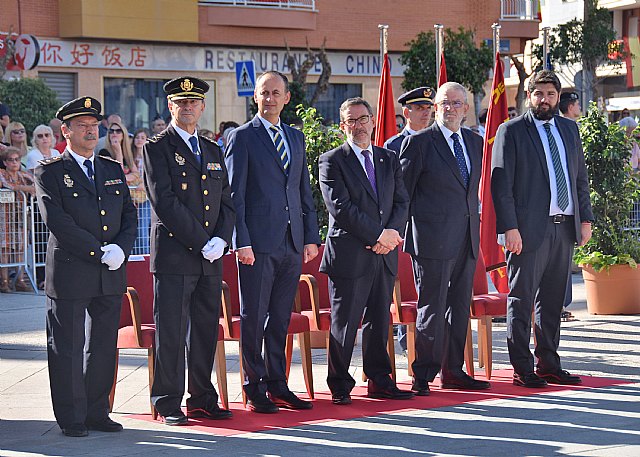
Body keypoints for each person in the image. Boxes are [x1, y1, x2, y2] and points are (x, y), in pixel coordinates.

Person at [34, 96, 137, 437]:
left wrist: (121, 248)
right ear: (65, 131)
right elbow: (59, 223)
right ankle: (71, 416)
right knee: (68, 346)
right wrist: (98, 252)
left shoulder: (109, 168)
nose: (92, 132)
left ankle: (97, 411)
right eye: (83, 126)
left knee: (103, 344)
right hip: (71, 271)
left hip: (109, 271)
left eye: (95, 126)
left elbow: (128, 214)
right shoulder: (50, 172)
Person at [225, 70, 320, 414]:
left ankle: (278, 384)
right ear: (255, 97)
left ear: (286, 98)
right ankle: (254, 386)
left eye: (276, 93)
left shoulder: (295, 138)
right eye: (264, 93)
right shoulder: (242, 137)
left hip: (291, 242)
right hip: (258, 244)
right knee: (254, 317)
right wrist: (242, 241)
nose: (269, 99)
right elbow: (236, 196)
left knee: (280, 317)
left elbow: (301, 191)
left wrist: (310, 236)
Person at [491, 70, 593, 388]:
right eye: (539, 93)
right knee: (521, 300)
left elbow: (579, 178)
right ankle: (523, 368)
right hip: (526, 232)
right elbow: (501, 184)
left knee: (551, 302)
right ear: (528, 94)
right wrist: (509, 228)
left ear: (557, 97)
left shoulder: (569, 129)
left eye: (551, 94)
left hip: (564, 229)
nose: (545, 99)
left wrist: (585, 220)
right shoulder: (511, 131)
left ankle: (548, 363)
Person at [143, 76, 235, 425]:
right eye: (181, 103)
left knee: (205, 330)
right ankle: (167, 402)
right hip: (176, 256)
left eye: (194, 102)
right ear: (171, 106)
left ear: (202, 107)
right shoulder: (157, 147)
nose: (188, 108)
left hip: (211, 257)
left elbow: (227, 201)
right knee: (171, 331)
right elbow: (164, 202)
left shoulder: (212, 149)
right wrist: (203, 242)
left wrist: (222, 240)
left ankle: (201, 398)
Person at [318, 97, 412, 405]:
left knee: (379, 319)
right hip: (350, 254)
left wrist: (391, 235)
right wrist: (377, 235)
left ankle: (379, 380)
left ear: (372, 120)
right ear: (342, 125)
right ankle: (340, 383)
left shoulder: (388, 158)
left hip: (384, 254)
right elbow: (341, 207)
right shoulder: (332, 160)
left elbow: (401, 202)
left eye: (362, 119)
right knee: (345, 323)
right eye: (351, 121)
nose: (358, 126)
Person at [398, 82, 489, 396]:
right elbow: (403, 195)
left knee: (459, 307)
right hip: (431, 240)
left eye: (456, 103)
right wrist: (395, 232)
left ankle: (453, 371)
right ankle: (422, 374)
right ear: (435, 107)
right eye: (443, 103)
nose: (449, 108)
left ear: (466, 108)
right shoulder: (420, 143)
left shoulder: (475, 143)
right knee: (432, 308)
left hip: (466, 237)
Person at [0, 147, 36, 293]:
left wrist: (30, 187)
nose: (14, 163)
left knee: (20, 248)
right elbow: (8, 185)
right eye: (11, 160)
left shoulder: (23, 175)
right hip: (4, 216)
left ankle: (20, 280)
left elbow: (36, 184)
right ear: (5, 162)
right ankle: (4, 281)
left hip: (20, 216)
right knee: (5, 248)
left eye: (17, 159)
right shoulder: (2, 173)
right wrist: (26, 188)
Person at [384, 87, 435, 155]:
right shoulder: (394, 145)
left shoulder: (436, 141)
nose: (426, 113)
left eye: (428, 108)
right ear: (406, 113)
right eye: (420, 108)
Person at [99, 121, 140, 187]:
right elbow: (117, 173)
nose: (114, 133)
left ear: (123, 135)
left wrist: (124, 178)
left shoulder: (127, 153)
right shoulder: (104, 152)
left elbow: (136, 173)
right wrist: (118, 152)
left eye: (118, 131)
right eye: (111, 131)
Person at [130, 128, 151, 254]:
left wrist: (144, 183)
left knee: (143, 226)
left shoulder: (150, 156)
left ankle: (145, 253)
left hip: (145, 196)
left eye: (143, 138)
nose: (139, 140)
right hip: (132, 195)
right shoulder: (130, 155)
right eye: (138, 137)